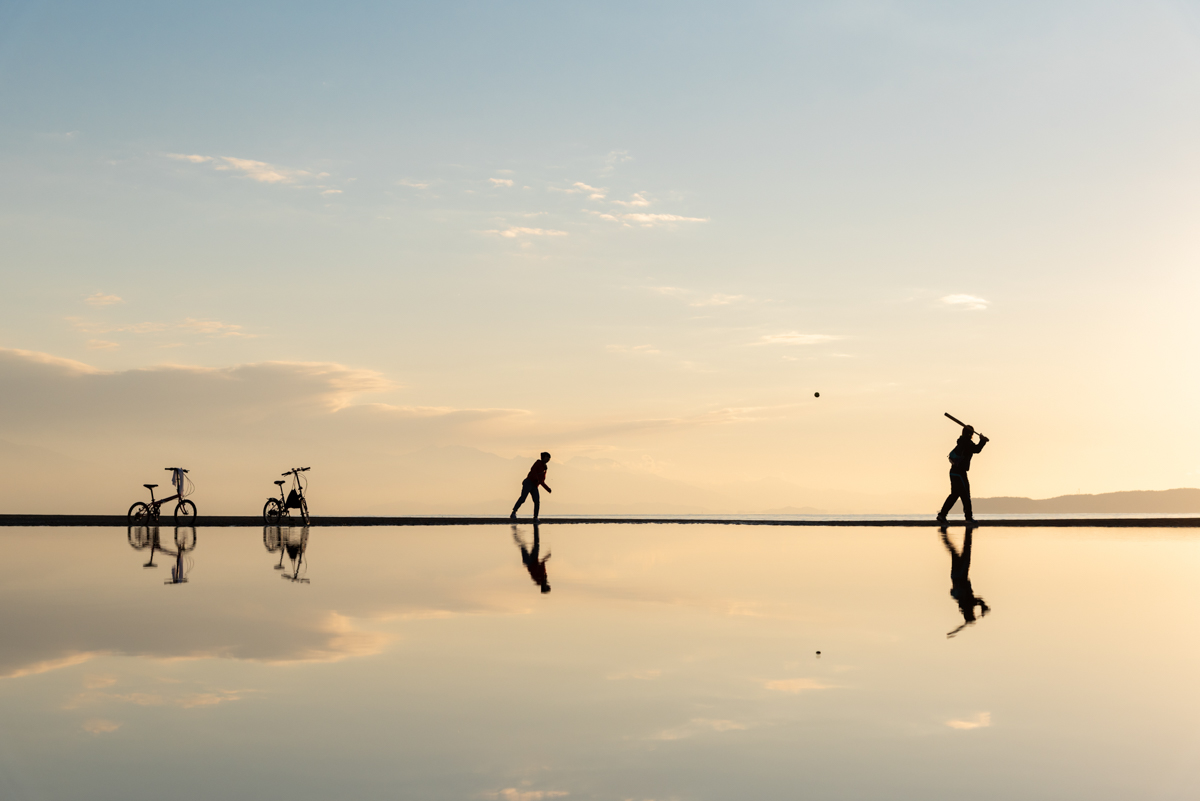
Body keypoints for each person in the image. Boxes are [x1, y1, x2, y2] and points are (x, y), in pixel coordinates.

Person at [941, 525, 990, 637]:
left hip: (961, 574)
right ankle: (945, 536)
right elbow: (979, 602)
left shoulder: (966, 602)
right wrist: (983, 608)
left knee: (964, 551)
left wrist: (983, 608)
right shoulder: (963, 602)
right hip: (955, 575)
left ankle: (964, 533)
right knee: (955, 552)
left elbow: (979, 601)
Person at [937, 426, 988, 523]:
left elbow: (975, 449)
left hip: (954, 472)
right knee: (966, 495)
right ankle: (968, 518)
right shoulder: (966, 443)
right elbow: (976, 449)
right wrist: (982, 441)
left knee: (955, 495)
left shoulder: (962, 442)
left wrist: (982, 441)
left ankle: (942, 515)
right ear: (970, 434)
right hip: (959, 472)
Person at [510, 452, 552, 519]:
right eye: (547, 457)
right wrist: (536, 479)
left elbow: (541, 481)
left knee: (537, 501)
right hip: (528, 482)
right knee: (523, 498)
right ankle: (513, 512)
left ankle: (535, 517)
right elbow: (533, 470)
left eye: (549, 458)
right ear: (543, 457)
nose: (548, 459)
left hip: (535, 485)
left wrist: (547, 489)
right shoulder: (538, 463)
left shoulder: (544, 468)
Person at [513, 523, 551, 593]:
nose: (548, 583)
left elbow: (542, 564)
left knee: (533, 543)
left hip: (531, 561)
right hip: (530, 561)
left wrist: (547, 557)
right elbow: (541, 564)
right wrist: (546, 557)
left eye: (547, 585)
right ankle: (516, 530)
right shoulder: (540, 580)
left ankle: (516, 530)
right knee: (524, 545)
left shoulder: (541, 578)